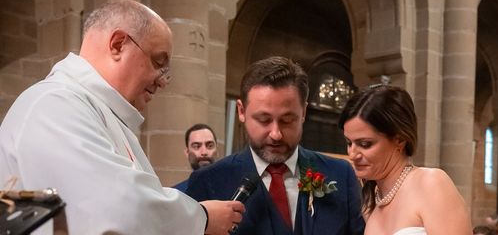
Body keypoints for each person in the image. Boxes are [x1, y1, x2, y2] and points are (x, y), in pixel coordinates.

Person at [0, 0, 244, 234]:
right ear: (117, 44)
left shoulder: (102, 114)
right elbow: (117, 209)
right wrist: (202, 217)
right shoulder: (54, 103)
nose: (162, 81)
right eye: (159, 62)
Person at [187, 56, 365, 234]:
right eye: (264, 120)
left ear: (303, 112)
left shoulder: (341, 174)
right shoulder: (208, 182)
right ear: (241, 111)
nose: (276, 134)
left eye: (287, 120)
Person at [338, 84, 472, 235]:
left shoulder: (431, 183)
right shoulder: (372, 203)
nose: (352, 154)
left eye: (365, 144)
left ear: (399, 139)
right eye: (349, 143)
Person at [174, 123, 219, 192]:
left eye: (210, 146)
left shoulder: (234, 189)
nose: (204, 152)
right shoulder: (177, 194)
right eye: (196, 146)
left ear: (217, 150)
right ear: (187, 152)